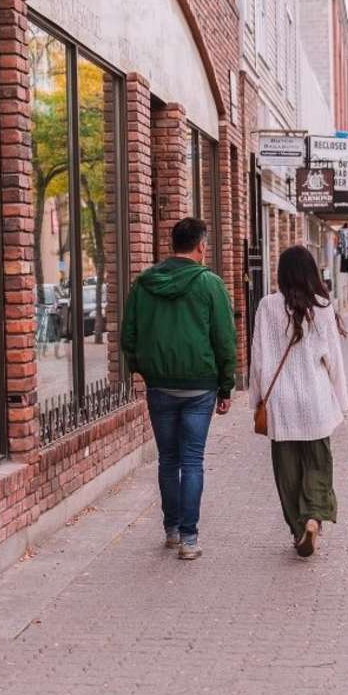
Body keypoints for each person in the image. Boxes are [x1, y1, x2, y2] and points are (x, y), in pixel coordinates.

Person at [121, 218, 236, 560]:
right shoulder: (210, 284)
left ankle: (171, 530)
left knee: (168, 460)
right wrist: (226, 387)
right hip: (199, 388)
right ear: (201, 245)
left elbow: (129, 334)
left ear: (172, 244)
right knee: (192, 461)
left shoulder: (144, 284)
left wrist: (143, 368)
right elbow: (225, 340)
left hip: (160, 386)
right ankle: (189, 539)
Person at [249, 246, 348, 558]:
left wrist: (257, 401)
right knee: (318, 465)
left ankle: (297, 527)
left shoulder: (267, 306)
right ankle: (313, 519)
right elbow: (333, 359)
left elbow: (259, 361)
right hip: (316, 400)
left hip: (281, 403)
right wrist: (341, 401)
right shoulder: (322, 307)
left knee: (287, 471)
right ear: (311, 273)